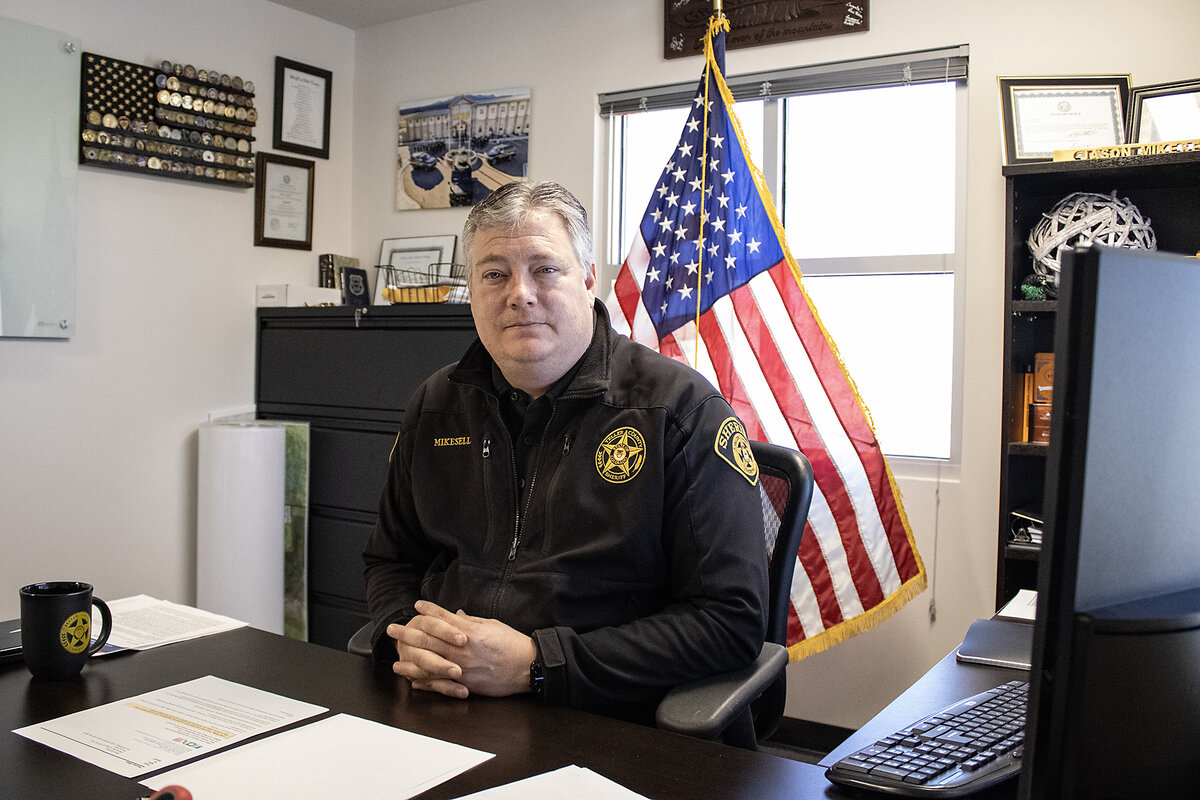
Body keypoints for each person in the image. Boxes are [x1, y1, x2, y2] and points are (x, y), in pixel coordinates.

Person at [362, 180, 767, 721]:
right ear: (471, 290)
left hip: (606, 715)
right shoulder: (437, 404)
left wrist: (539, 665)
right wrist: (408, 636)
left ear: (589, 279)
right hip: (446, 695)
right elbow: (390, 560)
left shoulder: (679, 412)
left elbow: (729, 620)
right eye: (494, 274)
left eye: (545, 269)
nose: (520, 294)